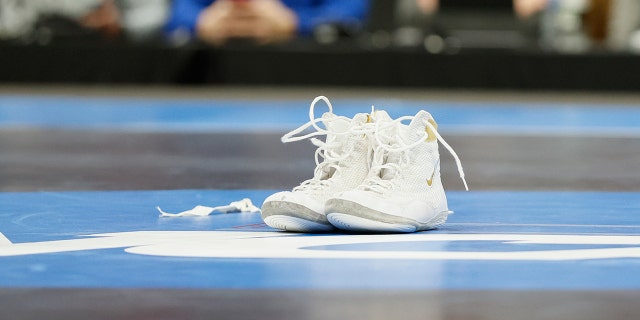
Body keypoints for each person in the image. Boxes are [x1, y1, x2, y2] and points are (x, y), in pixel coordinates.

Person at [165, 0, 370, 45]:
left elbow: (351, 11)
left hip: (301, 79)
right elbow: (177, 13)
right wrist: (201, 21)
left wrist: (296, 22)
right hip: (210, 78)